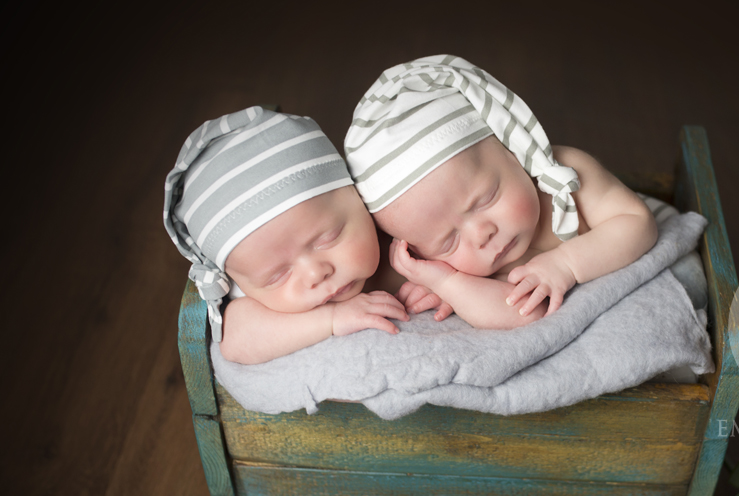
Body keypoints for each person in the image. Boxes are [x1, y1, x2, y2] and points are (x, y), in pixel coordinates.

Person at [344, 55, 658, 329]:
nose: (482, 234)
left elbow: (637, 221)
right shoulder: (460, 269)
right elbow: (522, 313)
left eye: (486, 198)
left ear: (512, 151)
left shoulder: (565, 174)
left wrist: (566, 264)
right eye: (448, 241)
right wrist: (449, 285)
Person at [164, 106, 408, 365]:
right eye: (277, 276)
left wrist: (434, 286)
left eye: (328, 238)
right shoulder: (252, 307)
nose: (316, 274)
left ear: (357, 195)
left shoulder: (399, 238)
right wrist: (332, 318)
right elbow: (237, 343)